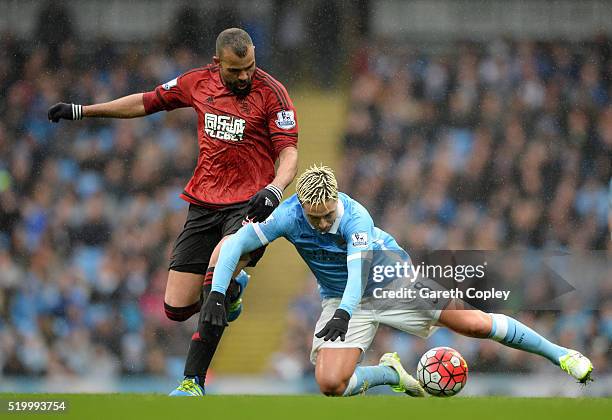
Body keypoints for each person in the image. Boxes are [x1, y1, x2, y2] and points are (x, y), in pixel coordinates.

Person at [47, 28, 299, 396]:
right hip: (204, 203)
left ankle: (192, 381)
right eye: (235, 70)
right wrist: (84, 111)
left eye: (249, 67)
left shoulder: (272, 93)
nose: (244, 76)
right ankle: (233, 290)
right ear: (218, 64)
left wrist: (275, 189)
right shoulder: (197, 82)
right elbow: (146, 102)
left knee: (216, 280)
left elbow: (289, 152)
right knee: (176, 309)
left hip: (249, 205)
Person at [204, 164, 593, 397]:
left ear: (336, 199)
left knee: (473, 323)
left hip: (391, 281)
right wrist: (218, 294)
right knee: (330, 385)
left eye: (327, 215)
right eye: (315, 217)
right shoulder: (288, 215)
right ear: (301, 206)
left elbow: (358, 272)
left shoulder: (356, 218)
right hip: (341, 299)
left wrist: (342, 313)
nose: (323, 224)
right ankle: (390, 374)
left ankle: (561, 355)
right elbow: (237, 242)